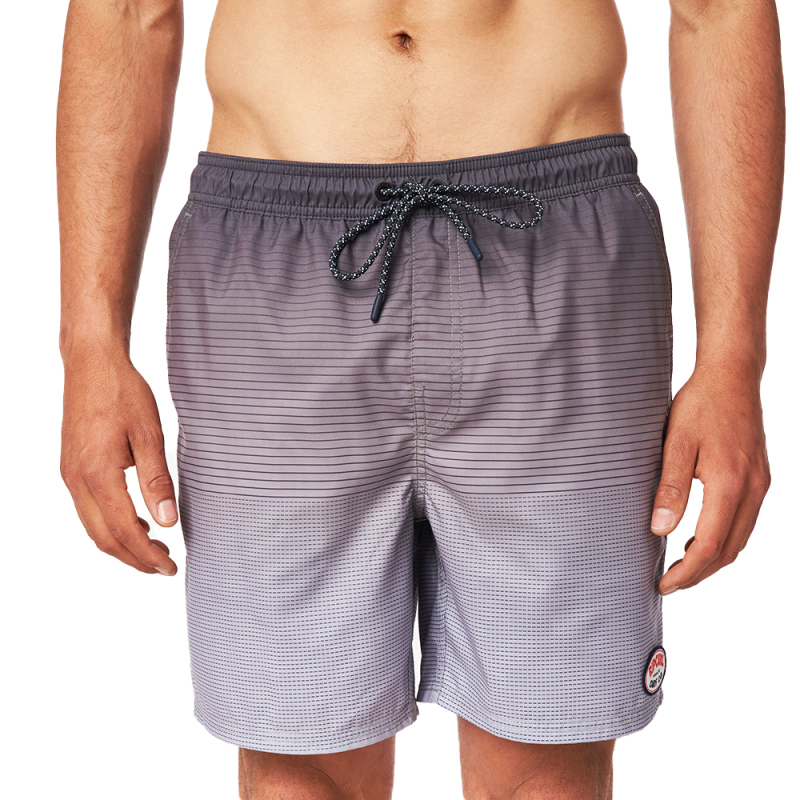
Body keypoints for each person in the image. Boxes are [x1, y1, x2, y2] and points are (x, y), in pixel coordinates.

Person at [56, 1, 783, 798]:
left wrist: (734, 358)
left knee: (549, 769)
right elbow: (127, 10)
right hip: (274, 279)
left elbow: (718, 10)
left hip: (556, 250)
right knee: (299, 769)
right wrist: (90, 344)